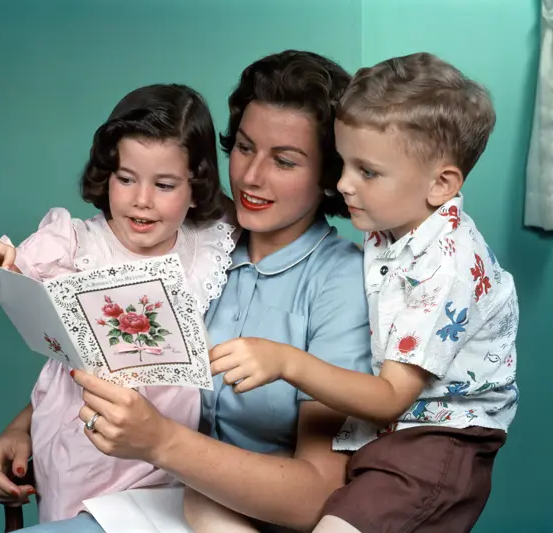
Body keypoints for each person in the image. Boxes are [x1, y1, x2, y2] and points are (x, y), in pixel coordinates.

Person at [211, 52, 520, 533]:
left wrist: (286, 361)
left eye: (366, 172)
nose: (343, 184)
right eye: (344, 164)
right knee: (202, 503)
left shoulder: (446, 265)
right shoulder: (396, 222)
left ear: (441, 183)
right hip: (391, 437)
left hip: (437, 444)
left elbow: (390, 398)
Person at [68, 49, 372, 533]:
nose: (251, 177)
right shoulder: (194, 240)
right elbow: (115, 349)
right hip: (154, 497)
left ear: (330, 177)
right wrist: (23, 427)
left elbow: (320, 496)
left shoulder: (342, 284)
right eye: (246, 148)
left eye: (285, 161)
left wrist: (162, 441)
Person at [0, 84, 236, 526]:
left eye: (164, 185)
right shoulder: (72, 244)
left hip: (168, 454)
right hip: (79, 442)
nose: (141, 199)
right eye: (126, 179)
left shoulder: (207, 247)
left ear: (196, 188)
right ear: (107, 175)